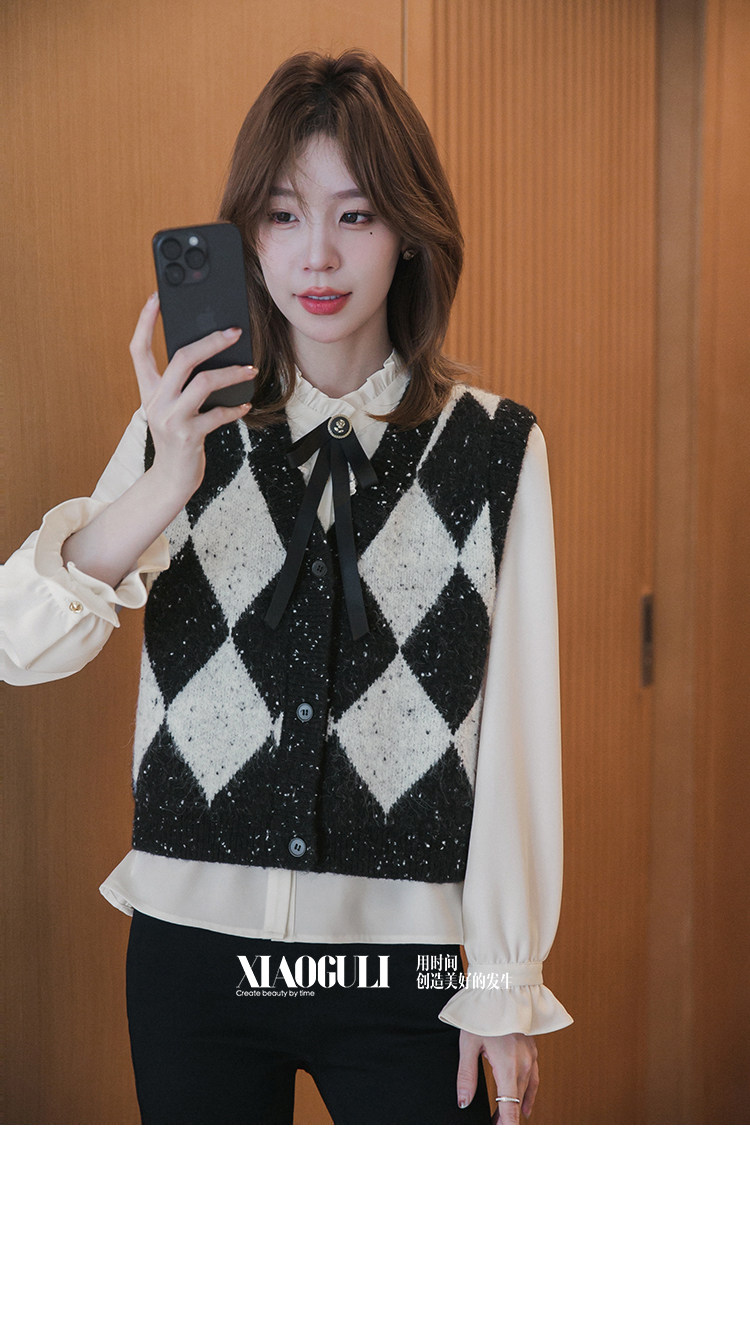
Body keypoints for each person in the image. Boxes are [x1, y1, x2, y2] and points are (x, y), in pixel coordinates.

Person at [0, 49, 572, 1125]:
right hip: (191, 959)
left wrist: (504, 976)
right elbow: (14, 643)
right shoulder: (187, 425)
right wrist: (162, 481)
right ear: (245, 236)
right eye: (282, 215)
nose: (318, 254)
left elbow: (518, 727)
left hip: (403, 970)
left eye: (356, 215)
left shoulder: (494, 448)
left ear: (409, 233)